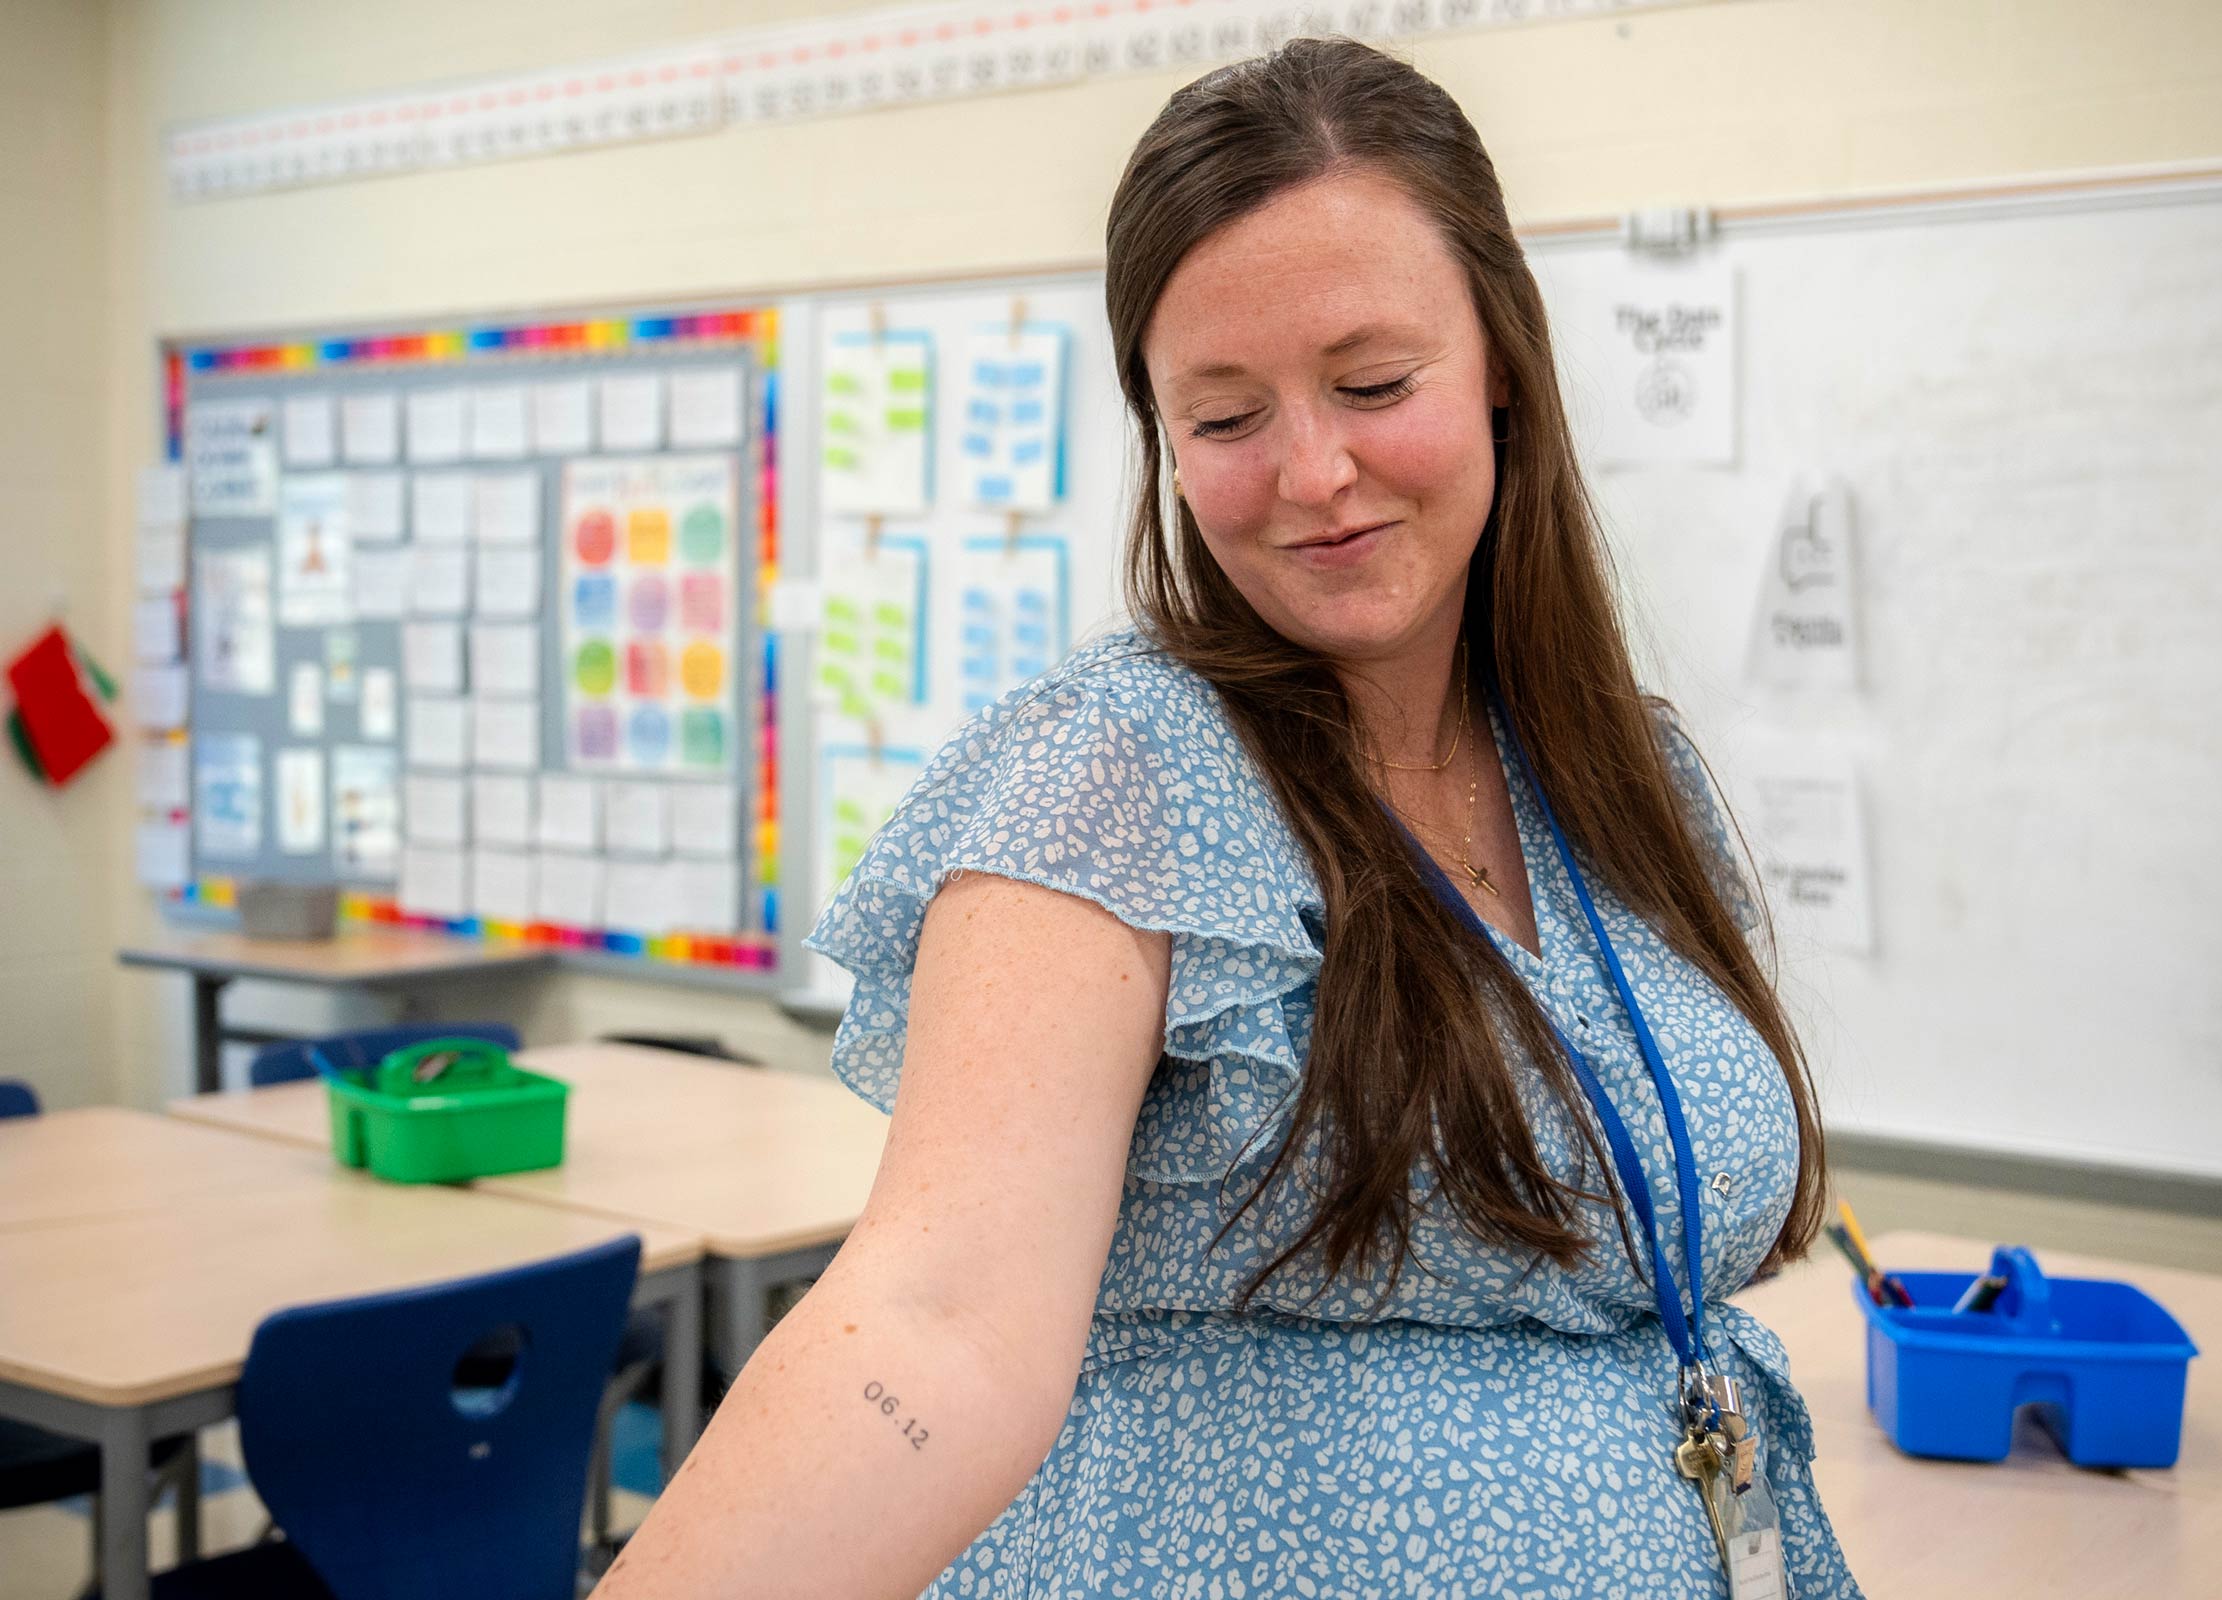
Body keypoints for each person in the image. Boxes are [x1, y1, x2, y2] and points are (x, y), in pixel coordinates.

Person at [598, 37, 1860, 1600]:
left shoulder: (1622, 775)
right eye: (1224, 416)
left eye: (1373, 383)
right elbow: (936, 1328)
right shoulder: (1120, 770)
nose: (1312, 473)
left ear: (1504, 368)